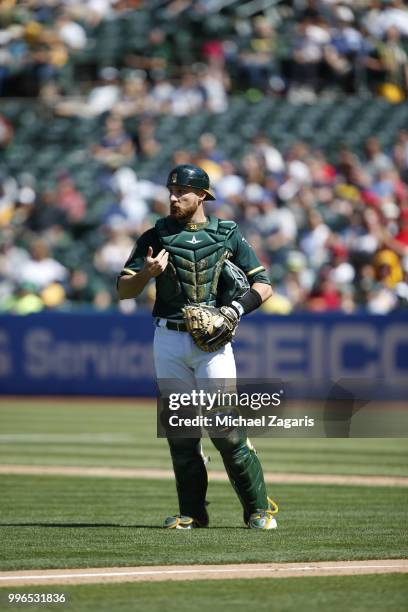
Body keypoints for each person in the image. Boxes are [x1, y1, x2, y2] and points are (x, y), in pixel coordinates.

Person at [117, 164, 277, 530]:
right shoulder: (155, 235)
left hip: (212, 341)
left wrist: (233, 311)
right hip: (168, 338)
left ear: (202, 195)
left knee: (225, 428)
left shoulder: (227, 233)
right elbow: (124, 289)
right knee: (181, 433)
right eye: (171, 191)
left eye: (182, 192)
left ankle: (258, 510)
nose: (174, 198)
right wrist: (147, 274)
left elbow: (264, 285)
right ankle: (193, 513)